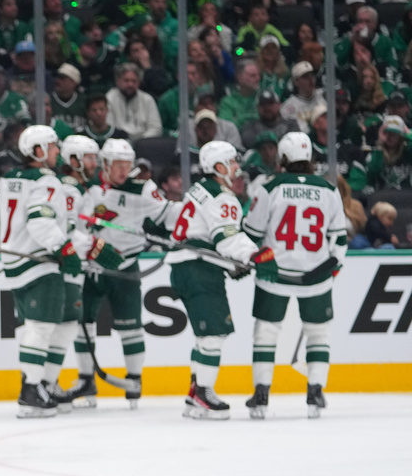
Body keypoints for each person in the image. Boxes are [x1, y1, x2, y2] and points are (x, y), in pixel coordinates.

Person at [0, 126, 117, 417]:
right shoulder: (47, 182)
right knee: (40, 328)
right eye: (51, 147)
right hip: (38, 259)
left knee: (42, 327)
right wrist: (65, 248)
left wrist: (82, 246)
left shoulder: (9, 178)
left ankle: (39, 386)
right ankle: (32, 390)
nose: (55, 152)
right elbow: (41, 224)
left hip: (15, 257)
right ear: (37, 151)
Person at [166, 141, 277, 420]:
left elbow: (204, 236)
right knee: (215, 333)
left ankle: (195, 395)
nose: (238, 168)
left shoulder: (198, 190)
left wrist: (229, 264)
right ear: (218, 167)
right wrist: (254, 254)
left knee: (205, 336)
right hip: (198, 270)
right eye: (233, 162)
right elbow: (226, 237)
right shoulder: (222, 196)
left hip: (188, 267)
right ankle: (203, 393)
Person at [242, 132, 348, 419]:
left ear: (283, 158)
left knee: (266, 331)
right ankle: (316, 390)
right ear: (310, 158)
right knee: (318, 333)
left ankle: (261, 392)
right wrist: (333, 266)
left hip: (274, 273)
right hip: (316, 275)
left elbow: (251, 233)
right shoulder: (328, 189)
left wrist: (247, 259)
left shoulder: (269, 186)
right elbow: (339, 239)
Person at [69, 138, 178, 409]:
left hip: (126, 266)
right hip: (92, 267)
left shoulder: (143, 188)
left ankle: (134, 383)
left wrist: (190, 224)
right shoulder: (88, 188)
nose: (123, 170)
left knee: (130, 327)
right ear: (105, 164)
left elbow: (169, 215)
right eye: (117, 164)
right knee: (83, 325)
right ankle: (86, 382)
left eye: (127, 164)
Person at [104, 62, 162, 142]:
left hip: (144, 143)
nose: (130, 84)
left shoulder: (147, 99)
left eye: (134, 81)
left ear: (139, 82)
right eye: (126, 80)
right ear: (118, 81)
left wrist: (142, 141)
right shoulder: (109, 98)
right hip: (118, 143)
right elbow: (108, 126)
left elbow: (156, 128)